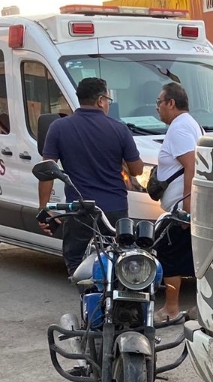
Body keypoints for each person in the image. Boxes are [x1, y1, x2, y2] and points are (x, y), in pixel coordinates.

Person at [38, 77, 141, 274]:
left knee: (76, 263)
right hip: (114, 209)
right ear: (101, 100)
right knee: (117, 262)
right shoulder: (119, 129)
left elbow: (47, 170)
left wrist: (44, 209)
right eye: (109, 100)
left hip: (79, 210)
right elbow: (137, 170)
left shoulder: (58, 128)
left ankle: (87, 299)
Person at [155, 82, 202, 324]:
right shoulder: (188, 124)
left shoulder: (180, 128)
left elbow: (191, 166)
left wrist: (186, 207)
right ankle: (197, 308)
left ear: (171, 103)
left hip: (180, 209)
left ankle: (171, 309)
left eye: (159, 103)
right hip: (184, 206)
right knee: (190, 258)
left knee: (170, 256)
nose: (158, 109)